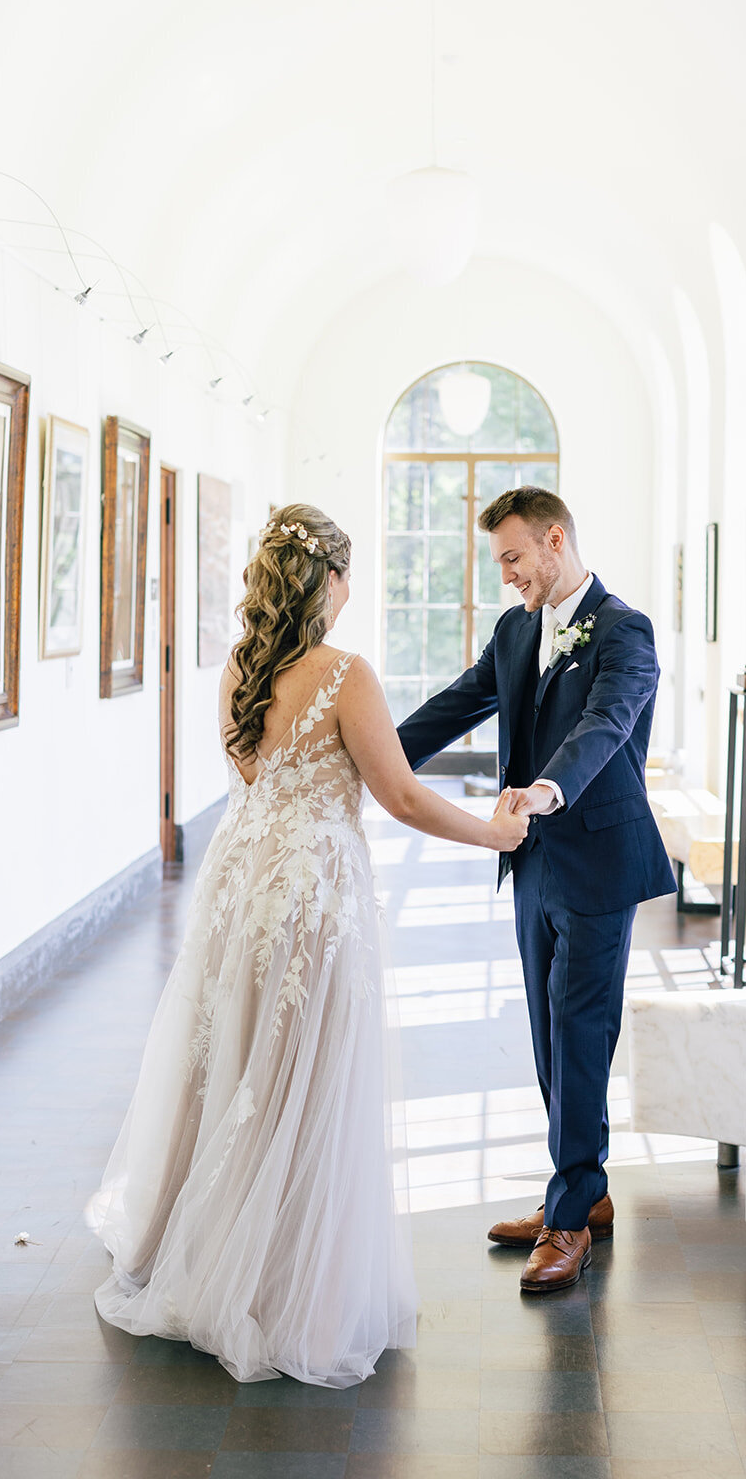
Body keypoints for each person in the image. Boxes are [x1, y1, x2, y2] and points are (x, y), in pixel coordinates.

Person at [88, 503, 528, 1387]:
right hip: (314, 894)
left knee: (239, 1063)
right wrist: (492, 835)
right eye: (347, 574)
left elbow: (260, 780)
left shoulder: (239, 671)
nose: (351, 590)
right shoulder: (344, 673)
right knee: (306, 1073)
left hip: (242, 883)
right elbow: (398, 796)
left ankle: (204, 1247)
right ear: (325, 580)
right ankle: (284, 1279)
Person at [398, 487, 675, 1295]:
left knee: (581, 1028)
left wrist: (548, 789)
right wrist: (365, 755)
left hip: (596, 853)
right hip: (529, 857)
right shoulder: (515, 629)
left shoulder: (625, 630)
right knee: (548, 1033)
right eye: (500, 562)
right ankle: (582, 1193)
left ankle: (567, 1222)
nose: (507, 575)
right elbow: (457, 703)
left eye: (514, 557)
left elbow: (607, 721)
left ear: (555, 539)